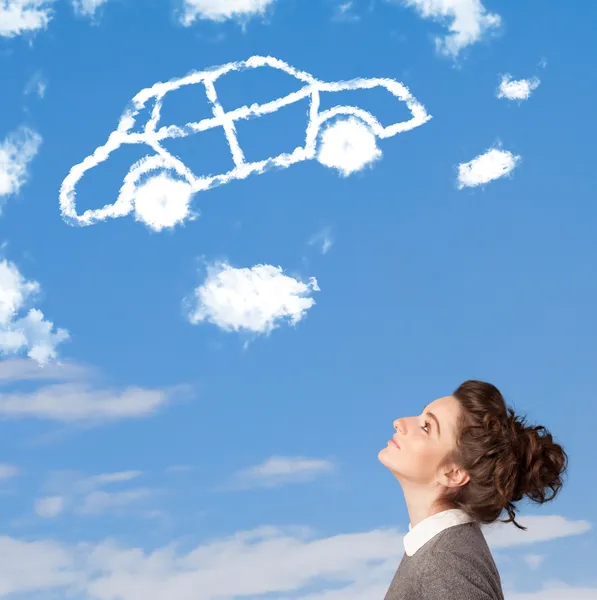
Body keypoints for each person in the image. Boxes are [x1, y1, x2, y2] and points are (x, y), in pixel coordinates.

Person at [379, 380, 568, 600]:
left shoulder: (446, 563)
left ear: (453, 473)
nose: (399, 422)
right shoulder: (436, 550)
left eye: (426, 427)